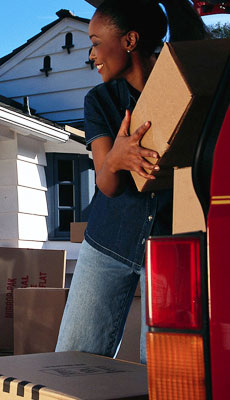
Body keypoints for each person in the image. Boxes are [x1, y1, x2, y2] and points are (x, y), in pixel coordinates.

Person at [55, 0, 209, 364]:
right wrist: (116, 157)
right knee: (74, 360)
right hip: (107, 243)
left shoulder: (182, 86)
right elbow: (108, 185)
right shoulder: (101, 101)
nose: (91, 54)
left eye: (95, 41)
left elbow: (191, 32)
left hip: (170, 247)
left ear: (129, 41)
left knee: (158, 366)